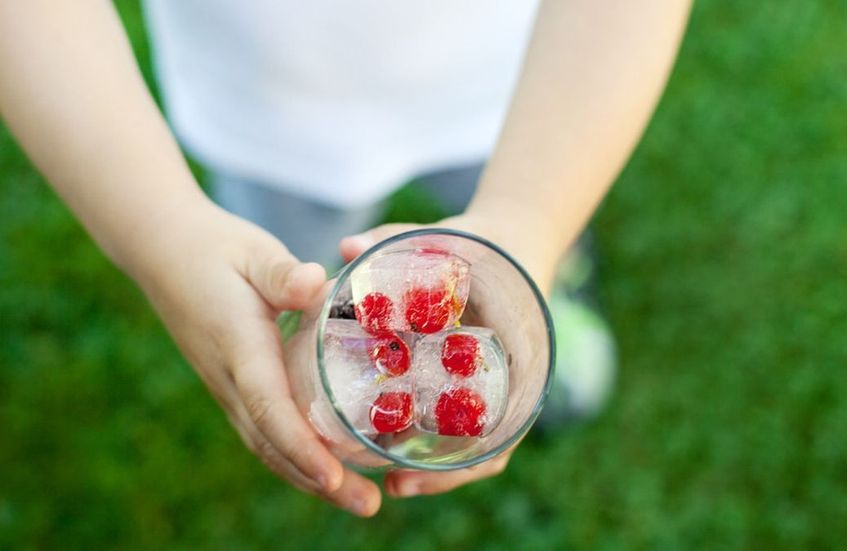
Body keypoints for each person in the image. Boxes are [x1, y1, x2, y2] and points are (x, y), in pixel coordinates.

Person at [0, 0, 691, 517]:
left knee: (506, 255)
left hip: (526, 92)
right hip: (267, 123)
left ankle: (545, 274)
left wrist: (532, 218)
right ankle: (343, 326)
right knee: (308, 277)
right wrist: (164, 233)